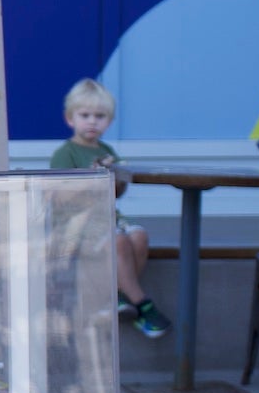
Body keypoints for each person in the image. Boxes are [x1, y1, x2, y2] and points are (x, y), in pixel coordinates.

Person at [48, 79, 170, 338]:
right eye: (85, 116)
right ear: (70, 119)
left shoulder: (107, 150)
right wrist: (92, 178)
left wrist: (117, 177)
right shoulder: (65, 153)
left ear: (110, 121)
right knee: (118, 242)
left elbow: (117, 194)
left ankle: (116, 299)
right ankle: (142, 304)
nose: (92, 122)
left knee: (139, 236)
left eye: (100, 116)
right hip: (77, 223)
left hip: (108, 216)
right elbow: (60, 197)